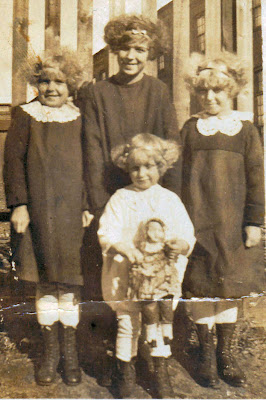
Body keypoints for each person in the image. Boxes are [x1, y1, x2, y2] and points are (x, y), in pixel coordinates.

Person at [4, 48, 93, 386]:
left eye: (60, 81)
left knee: (69, 282)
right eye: (45, 81)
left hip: (71, 212)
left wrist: (86, 204)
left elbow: (87, 165)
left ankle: (70, 354)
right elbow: (13, 164)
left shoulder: (78, 117)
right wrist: (20, 205)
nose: (52, 88)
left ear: (71, 85)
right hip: (38, 212)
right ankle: (50, 352)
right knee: (45, 280)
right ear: (35, 83)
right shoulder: (25, 116)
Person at [180, 52, 264, 388]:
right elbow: (176, 177)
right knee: (201, 285)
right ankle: (205, 353)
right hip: (197, 220)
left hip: (232, 222)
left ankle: (226, 354)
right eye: (203, 92)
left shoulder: (245, 130)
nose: (211, 98)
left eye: (218, 91)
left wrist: (253, 221)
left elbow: (256, 177)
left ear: (232, 91)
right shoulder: (190, 129)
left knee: (227, 287)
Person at [98, 133, 195, 398]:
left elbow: (186, 232)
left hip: (160, 278)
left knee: (161, 323)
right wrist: (122, 247)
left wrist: (182, 245)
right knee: (128, 322)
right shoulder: (120, 198)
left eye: (149, 167)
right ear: (127, 168)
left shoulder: (169, 200)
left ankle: (160, 370)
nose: (142, 174)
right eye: (135, 168)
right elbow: (107, 232)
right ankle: (125, 370)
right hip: (128, 274)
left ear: (161, 168)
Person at [79, 14, 180, 219]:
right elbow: (92, 151)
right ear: (115, 49)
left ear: (150, 53)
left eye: (140, 50)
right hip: (109, 195)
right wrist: (99, 203)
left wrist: (169, 199)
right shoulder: (97, 93)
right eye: (125, 48)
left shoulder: (158, 91)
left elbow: (171, 146)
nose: (130, 56)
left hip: (152, 194)